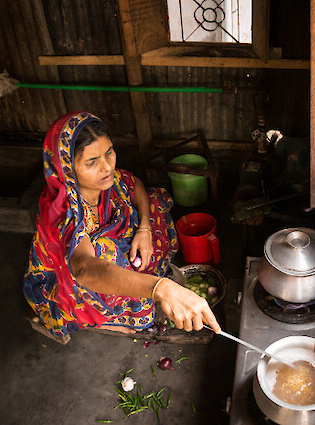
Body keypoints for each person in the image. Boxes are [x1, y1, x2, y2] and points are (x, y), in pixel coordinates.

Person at [23, 111, 220, 338]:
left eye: (109, 152)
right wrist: (161, 288)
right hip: (75, 281)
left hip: (117, 250)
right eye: (91, 162)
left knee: (153, 203)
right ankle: (103, 318)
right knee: (105, 252)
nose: (107, 167)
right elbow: (84, 268)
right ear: (65, 168)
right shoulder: (64, 212)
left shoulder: (110, 180)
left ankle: (145, 276)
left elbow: (134, 184)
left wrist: (145, 229)